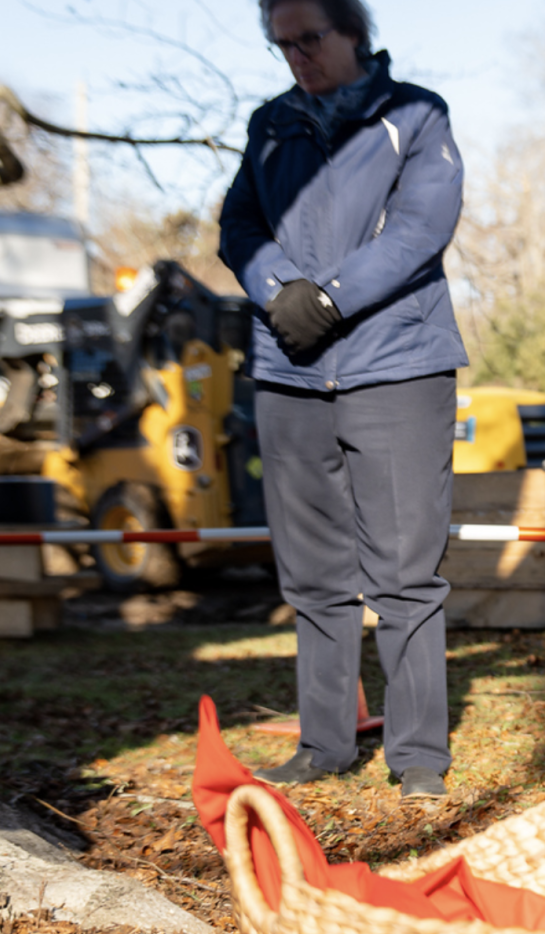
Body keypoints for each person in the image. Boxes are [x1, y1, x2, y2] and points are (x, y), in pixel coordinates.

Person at [219, 0, 464, 799]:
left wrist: (326, 299)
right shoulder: (270, 123)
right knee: (313, 577)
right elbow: (238, 224)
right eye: (282, 44)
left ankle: (418, 755)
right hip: (289, 371)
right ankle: (323, 744)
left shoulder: (415, 115)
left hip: (397, 367)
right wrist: (276, 290)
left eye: (310, 38)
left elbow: (419, 229)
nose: (297, 55)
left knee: (405, 575)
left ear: (352, 29)